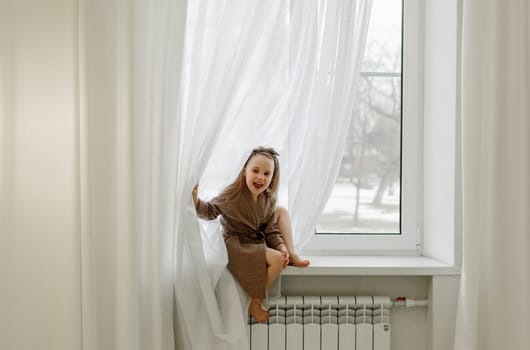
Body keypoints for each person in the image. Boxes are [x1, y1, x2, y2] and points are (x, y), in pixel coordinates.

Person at [192, 146, 309, 323]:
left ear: (272, 177)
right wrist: (194, 199)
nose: (260, 177)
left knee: (282, 214)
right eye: (255, 171)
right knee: (277, 259)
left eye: (267, 173)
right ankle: (255, 302)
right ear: (245, 170)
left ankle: (291, 252)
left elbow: (271, 230)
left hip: (256, 239)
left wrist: (280, 245)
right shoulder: (233, 195)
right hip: (237, 243)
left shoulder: (268, 199)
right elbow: (209, 211)